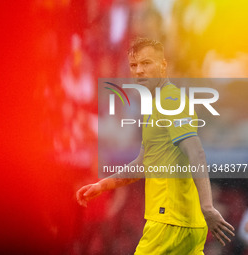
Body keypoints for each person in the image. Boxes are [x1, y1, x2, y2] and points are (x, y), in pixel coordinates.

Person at [76, 38, 235, 254]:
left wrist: (207, 206)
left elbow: (196, 152)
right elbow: (143, 164)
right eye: (134, 65)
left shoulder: (171, 101)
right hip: (188, 224)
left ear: (163, 65)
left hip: (168, 223)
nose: (139, 71)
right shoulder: (157, 104)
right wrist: (102, 185)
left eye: (146, 63)